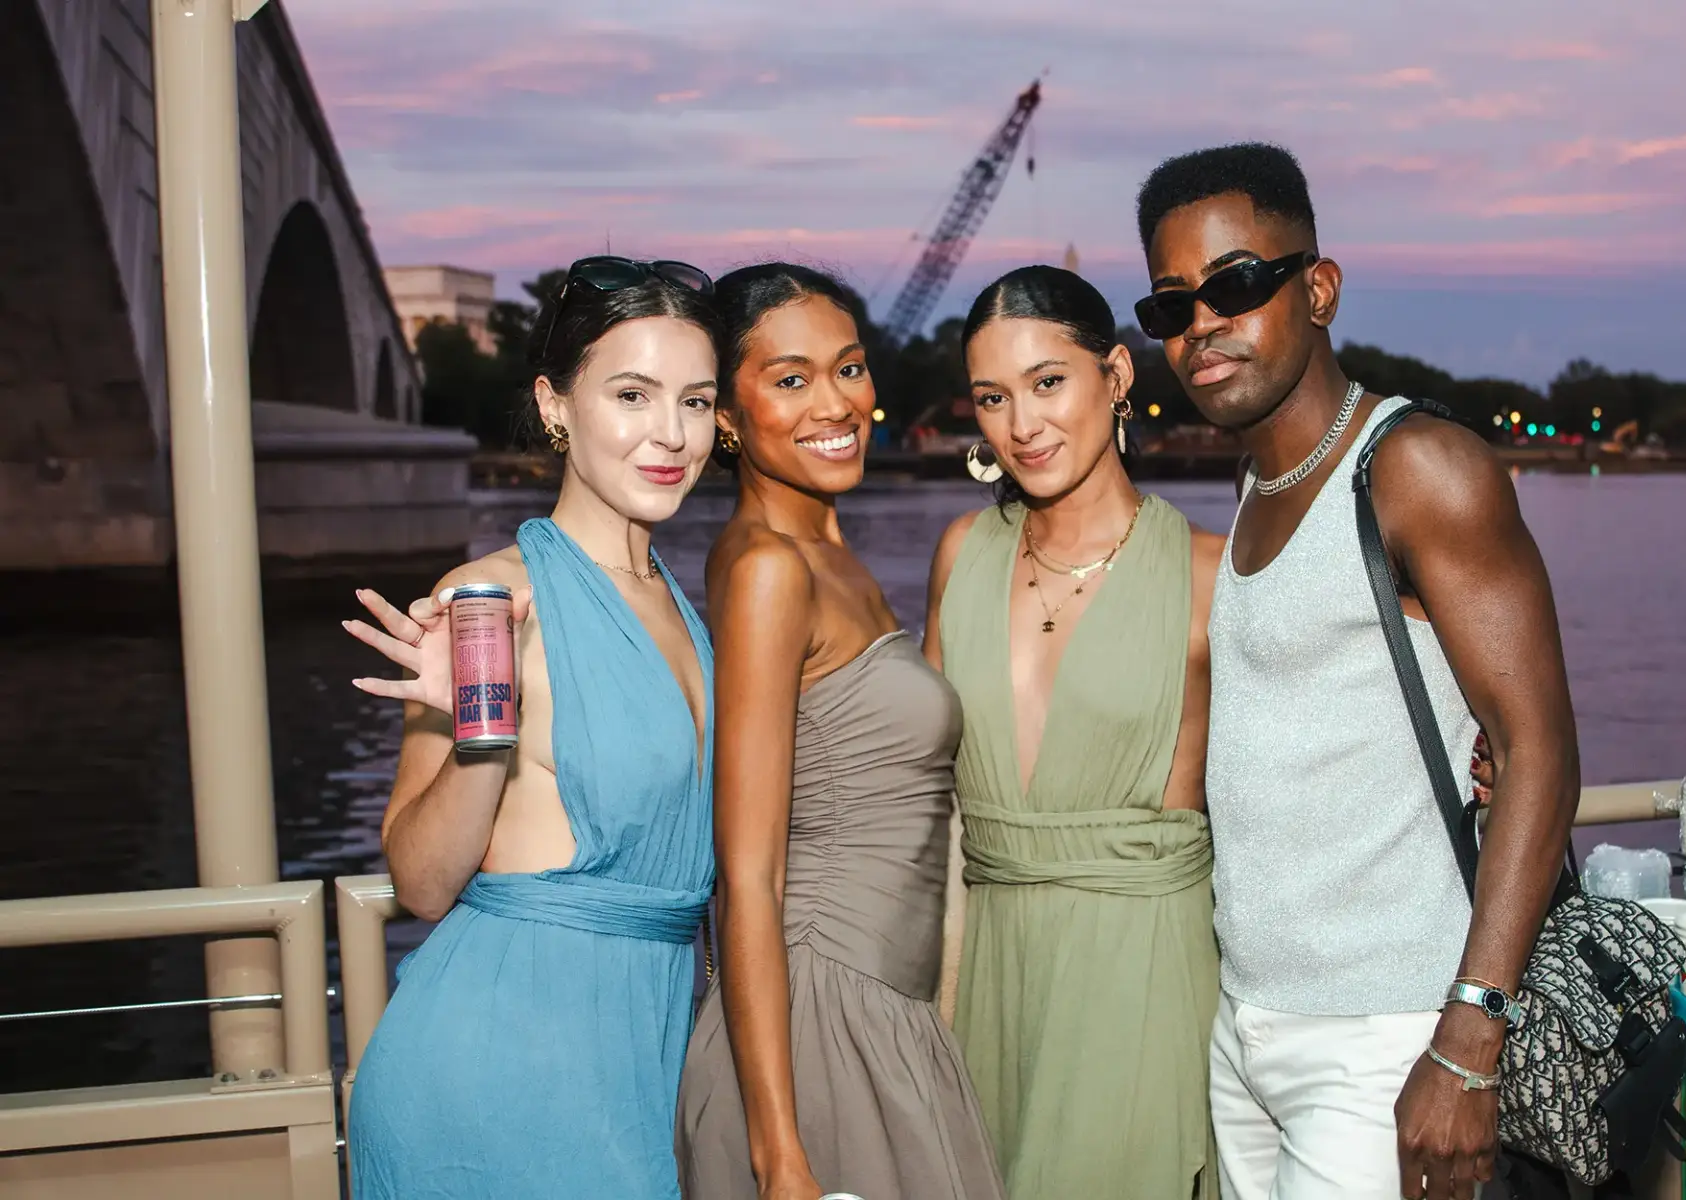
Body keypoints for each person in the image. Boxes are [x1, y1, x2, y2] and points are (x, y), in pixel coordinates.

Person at [1133, 143, 1579, 1200]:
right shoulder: (1258, 481)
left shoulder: (1419, 467)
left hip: (1387, 1035)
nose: (1202, 326)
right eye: (1172, 306)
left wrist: (1468, 1040)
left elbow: (1541, 751)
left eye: (1236, 285)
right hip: (1250, 1026)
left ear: (1320, 289)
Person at [341, 257, 722, 1199]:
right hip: (505, 1069)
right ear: (556, 406)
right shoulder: (490, 598)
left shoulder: (682, 605)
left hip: (645, 1050)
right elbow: (422, 884)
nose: (672, 434)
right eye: (631, 395)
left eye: (696, 401)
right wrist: (484, 727)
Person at [674, 263, 1004, 1200]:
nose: (836, 404)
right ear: (725, 415)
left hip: (884, 1008)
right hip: (818, 1023)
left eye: (849, 368)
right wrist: (780, 1157)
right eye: (791, 379)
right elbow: (749, 878)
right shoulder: (769, 569)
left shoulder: (830, 554)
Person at [922, 265, 1225, 1199]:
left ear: (1117, 376)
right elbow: (927, 805)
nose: (1023, 424)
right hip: (983, 982)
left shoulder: (1214, 575)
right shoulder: (960, 556)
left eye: (1048, 382)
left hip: (1141, 977)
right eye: (993, 397)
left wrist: (1479, 748)